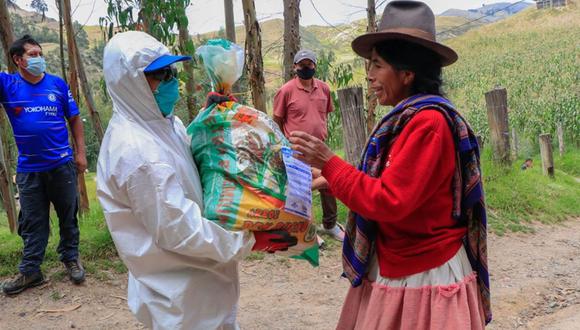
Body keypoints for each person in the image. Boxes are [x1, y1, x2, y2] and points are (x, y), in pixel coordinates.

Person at [290, 1, 491, 329]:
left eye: (377, 65)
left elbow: (389, 200)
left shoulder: (429, 124)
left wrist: (330, 162)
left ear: (407, 73)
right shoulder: (409, 120)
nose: (368, 76)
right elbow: (392, 184)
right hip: (400, 266)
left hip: (423, 276)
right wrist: (332, 176)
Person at [96, 31, 293, 330]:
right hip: (180, 296)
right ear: (130, 82)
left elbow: (182, 158)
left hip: (201, 283)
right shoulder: (136, 153)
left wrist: (211, 116)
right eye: (160, 74)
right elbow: (180, 230)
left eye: (172, 70)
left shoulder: (161, 123)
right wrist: (248, 239)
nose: (171, 80)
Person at [1, 35, 87, 295]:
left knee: (67, 216)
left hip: (62, 165)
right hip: (29, 170)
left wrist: (80, 154)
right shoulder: (8, 84)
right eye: (33, 54)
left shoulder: (57, 85)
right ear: (18, 60)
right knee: (32, 221)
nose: (39, 58)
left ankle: (71, 259)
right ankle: (31, 271)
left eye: (40, 53)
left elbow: (74, 119)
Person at [273, 49, 344, 241]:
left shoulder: (324, 89)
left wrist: (321, 131)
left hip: (319, 146)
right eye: (302, 65)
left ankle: (330, 225)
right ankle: (308, 229)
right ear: (295, 67)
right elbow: (277, 119)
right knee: (301, 187)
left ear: (314, 66)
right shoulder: (286, 91)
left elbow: (325, 113)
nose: (306, 68)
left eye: (309, 64)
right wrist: (286, 143)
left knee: (329, 186)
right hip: (297, 149)